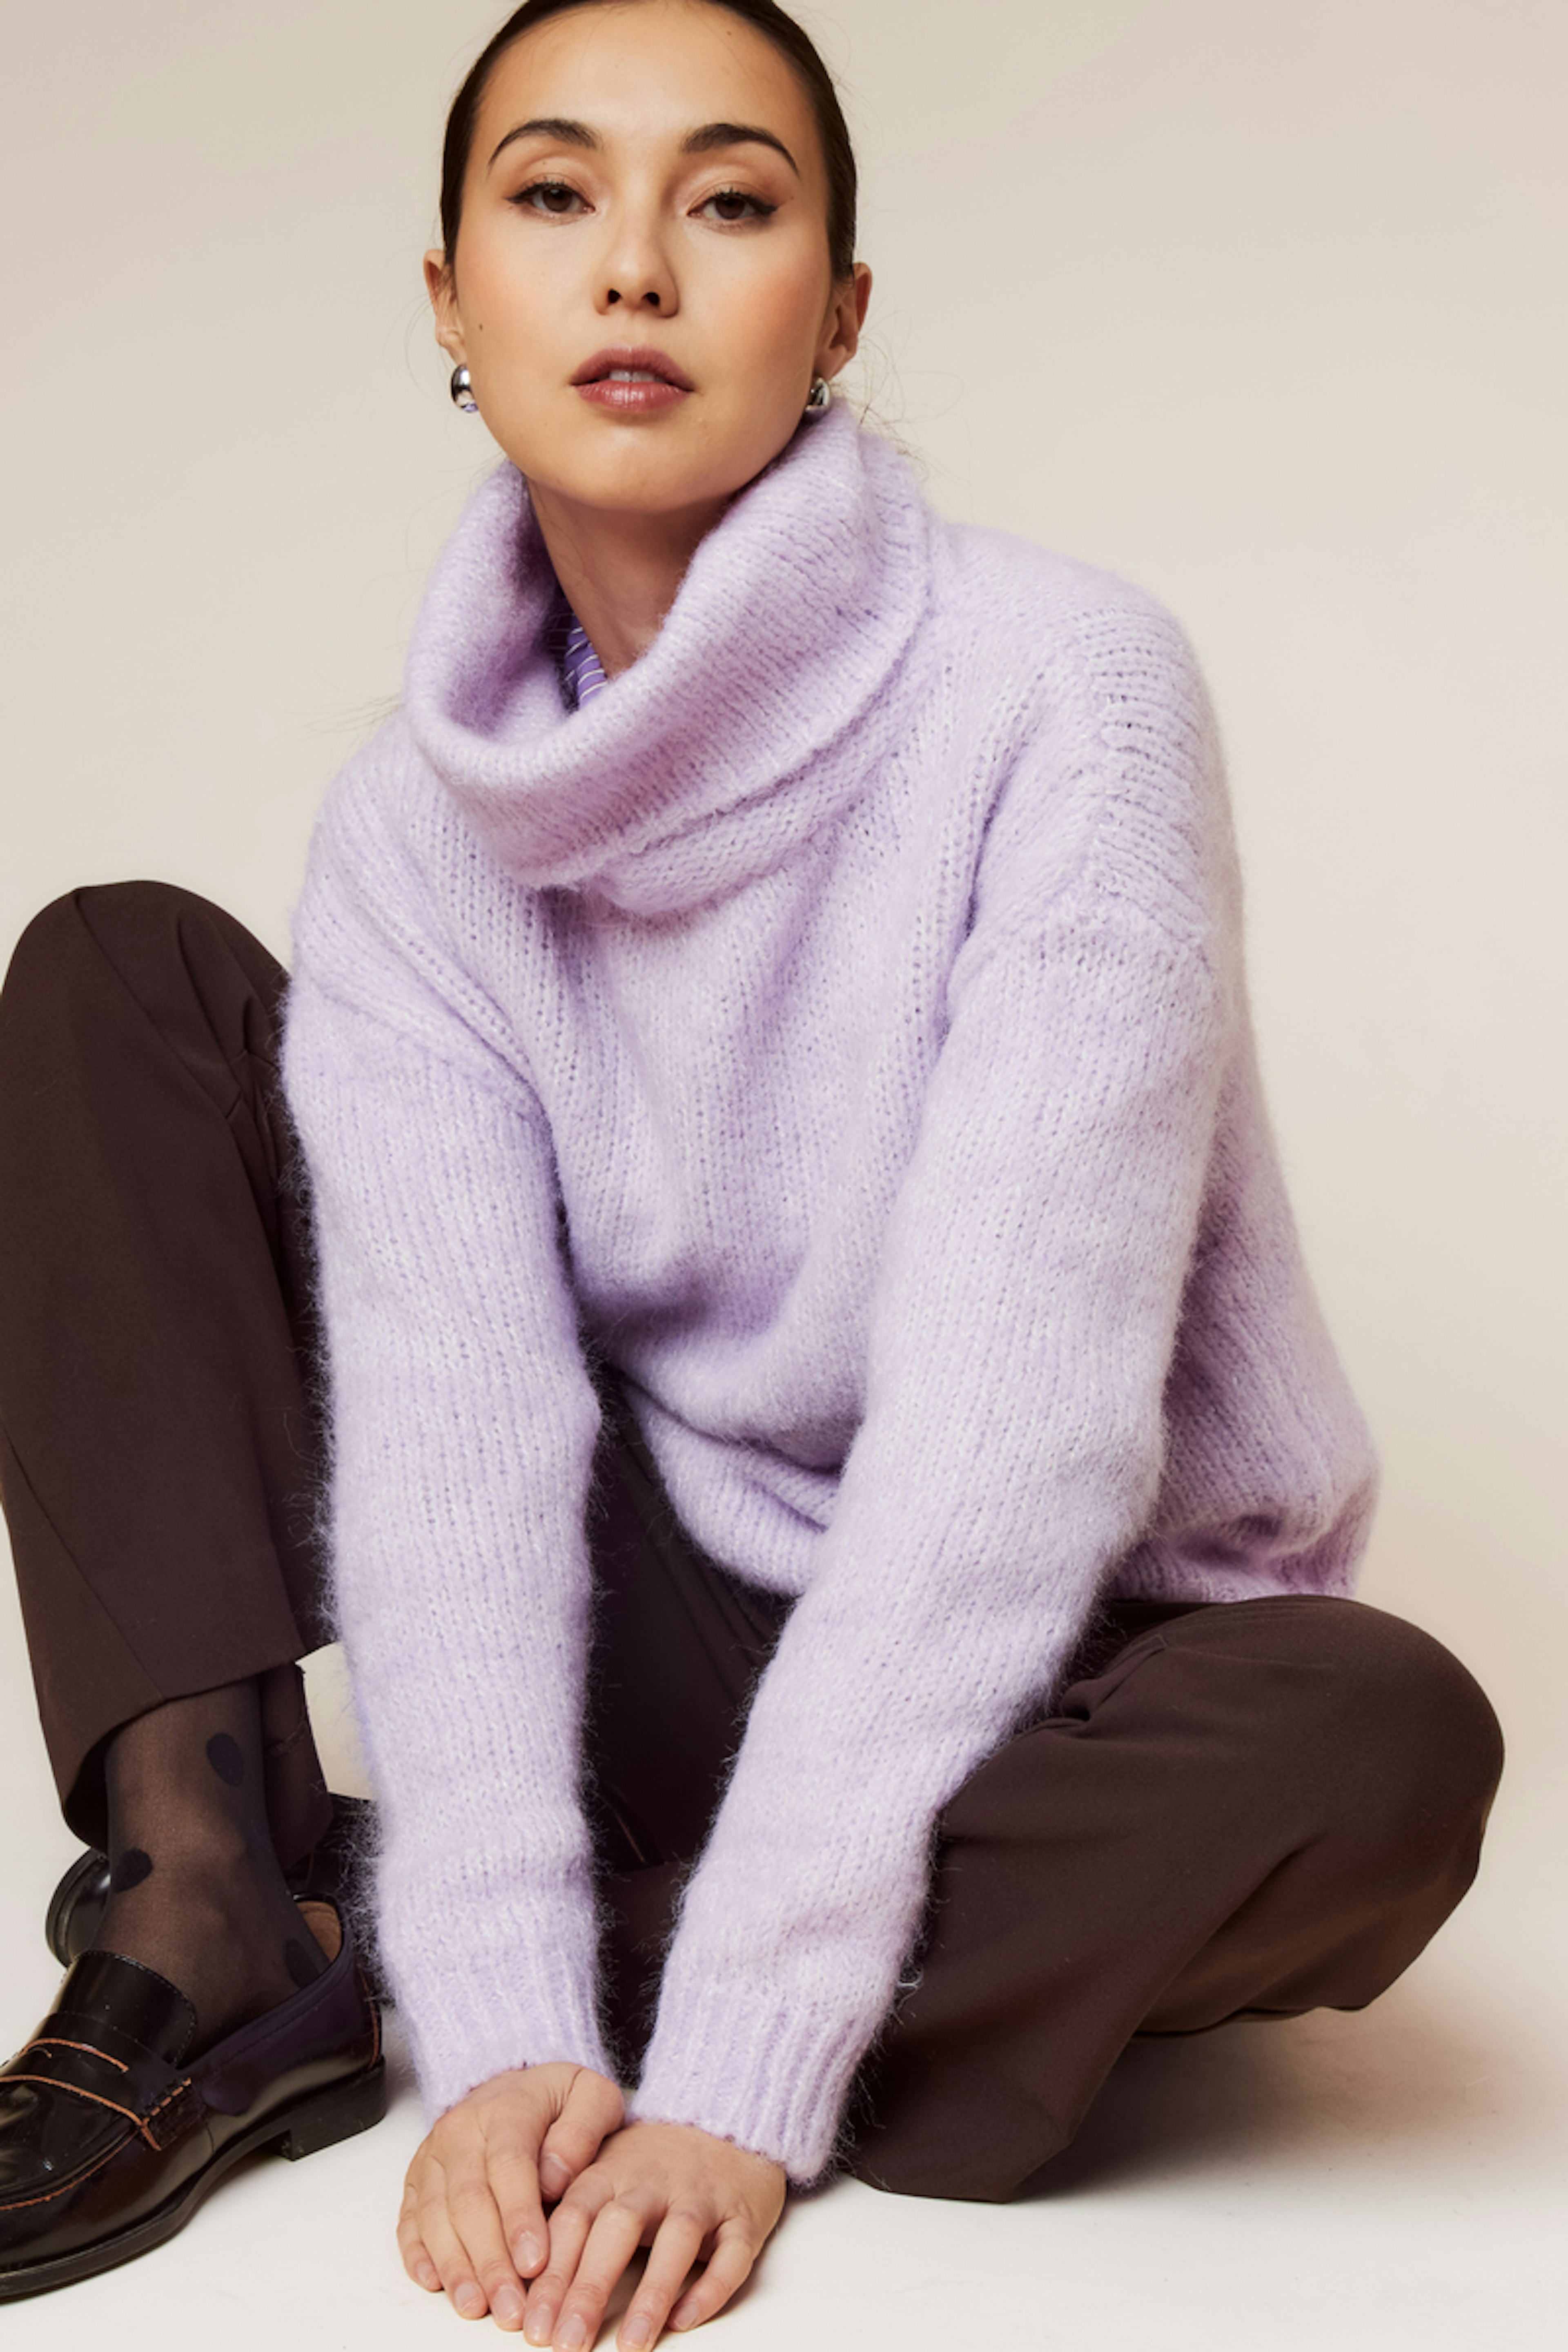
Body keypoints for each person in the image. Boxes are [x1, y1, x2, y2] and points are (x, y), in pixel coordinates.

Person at [0, 0, 1505, 2341]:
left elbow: (1017, 1430)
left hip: (1056, 1666)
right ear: (450, 301)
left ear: (841, 310)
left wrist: (735, 2059)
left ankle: (474, 1927)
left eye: (728, 200)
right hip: (676, 1615)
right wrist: (504, 2018)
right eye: (553, 195)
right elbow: (462, 1435)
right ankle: (210, 1910)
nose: (636, 266)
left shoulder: (1064, 693)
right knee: (123, 975)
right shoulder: (414, 838)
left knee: (1381, 1742)